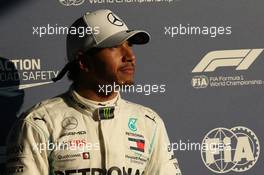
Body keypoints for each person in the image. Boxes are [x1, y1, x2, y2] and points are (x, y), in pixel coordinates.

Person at [5, 9, 182, 175]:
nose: (129, 55)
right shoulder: (39, 123)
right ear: (83, 61)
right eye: (114, 46)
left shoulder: (149, 122)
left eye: (129, 45)